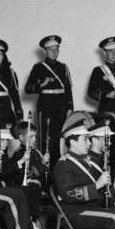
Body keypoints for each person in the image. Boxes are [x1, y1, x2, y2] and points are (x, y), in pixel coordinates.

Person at [24, 35, 74, 169]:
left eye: (56, 49)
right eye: (50, 49)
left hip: (62, 108)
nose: (54, 52)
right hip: (46, 107)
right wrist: (42, 84)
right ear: (45, 51)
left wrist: (70, 108)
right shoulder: (38, 67)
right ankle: (46, 173)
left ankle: (59, 171)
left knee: (61, 140)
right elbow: (28, 88)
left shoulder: (64, 67)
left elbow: (68, 89)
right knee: (46, 140)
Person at [0, 117, 48, 229]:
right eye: (31, 137)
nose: (34, 139)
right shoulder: (20, 153)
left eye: (35, 136)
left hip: (37, 184)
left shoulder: (35, 152)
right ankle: (31, 221)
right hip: (23, 185)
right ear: (21, 138)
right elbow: (26, 173)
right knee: (32, 188)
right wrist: (42, 163)